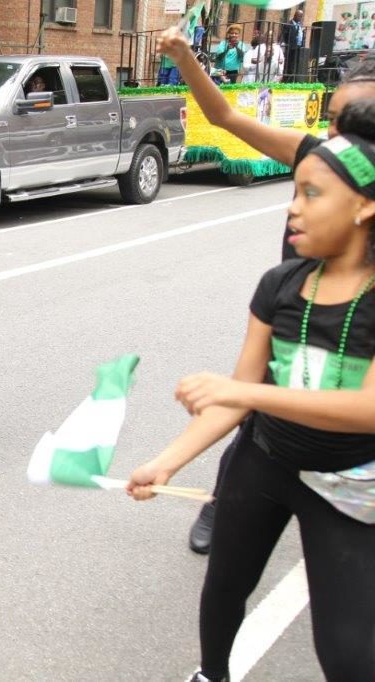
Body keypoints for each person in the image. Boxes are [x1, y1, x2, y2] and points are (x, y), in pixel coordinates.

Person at [127, 98, 375, 682]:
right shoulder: (280, 284)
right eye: (295, 191)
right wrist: (165, 463)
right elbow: (238, 393)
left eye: (312, 194)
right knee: (223, 593)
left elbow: (366, 409)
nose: (293, 209)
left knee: (348, 653)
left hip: (346, 484)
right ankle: (212, 675)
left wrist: (251, 395)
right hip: (263, 464)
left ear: (365, 206)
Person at [156, 25, 375, 554]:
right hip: (292, 324)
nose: (339, 138)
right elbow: (226, 117)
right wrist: (185, 57)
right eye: (334, 122)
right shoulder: (315, 156)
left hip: (353, 345)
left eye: (358, 124)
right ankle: (225, 502)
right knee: (255, 419)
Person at [282, 9, 307, 82]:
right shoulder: (288, 24)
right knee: (290, 64)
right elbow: (285, 35)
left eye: (301, 16)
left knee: (296, 64)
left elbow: (301, 36)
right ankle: (287, 80)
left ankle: (294, 79)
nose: (300, 18)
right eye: (299, 16)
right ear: (295, 15)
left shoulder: (300, 25)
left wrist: (302, 32)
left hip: (298, 47)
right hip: (291, 47)